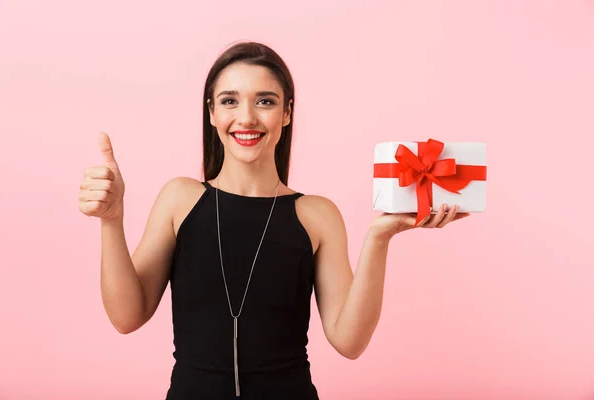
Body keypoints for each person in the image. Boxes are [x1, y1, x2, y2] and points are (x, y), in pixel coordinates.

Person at [77, 41, 468, 400]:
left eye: (264, 101)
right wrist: (112, 220)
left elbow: (349, 342)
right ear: (211, 113)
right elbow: (127, 317)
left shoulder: (316, 214)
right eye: (229, 101)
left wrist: (379, 238)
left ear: (287, 112)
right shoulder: (180, 199)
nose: (246, 118)